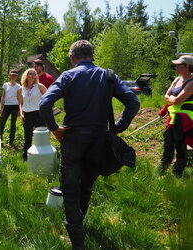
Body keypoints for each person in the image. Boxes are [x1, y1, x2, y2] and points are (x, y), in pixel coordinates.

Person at [39, 40, 140, 249]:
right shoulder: (108, 76)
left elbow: (45, 103)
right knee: (86, 186)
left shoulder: (67, 76)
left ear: (72, 57)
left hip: (73, 139)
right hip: (99, 140)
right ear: (92, 57)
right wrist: (118, 128)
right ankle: (79, 227)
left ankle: (76, 240)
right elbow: (133, 102)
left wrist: (55, 129)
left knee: (70, 188)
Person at [160, 55, 193, 177]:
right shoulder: (177, 79)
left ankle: (177, 173)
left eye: (179, 64)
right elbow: (166, 96)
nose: (176, 66)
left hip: (184, 120)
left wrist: (172, 99)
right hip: (172, 119)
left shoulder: (192, 82)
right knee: (168, 144)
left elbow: (178, 100)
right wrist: (172, 99)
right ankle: (162, 169)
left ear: (187, 66)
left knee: (180, 146)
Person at [17, 68, 47, 160]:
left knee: (41, 135)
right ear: (26, 75)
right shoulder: (21, 89)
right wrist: (21, 113)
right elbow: (21, 103)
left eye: (34, 74)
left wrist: (45, 109)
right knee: (28, 136)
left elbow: (48, 96)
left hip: (39, 113)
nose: (33, 75)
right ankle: (26, 156)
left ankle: (42, 155)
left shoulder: (39, 86)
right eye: (31, 73)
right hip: (27, 114)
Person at [0, 69, 21, 146]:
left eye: (15, 75)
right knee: (2, 123)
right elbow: (3, 96)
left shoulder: (18, 86)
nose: (13, 76)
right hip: (6, 106)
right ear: (9, 76)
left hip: (15, 106)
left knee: (13, 124)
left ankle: (11, 142)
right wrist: (0, 107)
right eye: (12, 75)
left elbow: (19, 98)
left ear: (16, 76)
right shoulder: (5, 85)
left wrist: (20, 110)